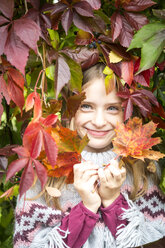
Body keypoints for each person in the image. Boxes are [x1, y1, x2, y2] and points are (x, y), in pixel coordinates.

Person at [14, 63, 165, 248]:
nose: (99, 121)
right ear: (69, 108)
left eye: (112, 108)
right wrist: (86, 209)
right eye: (86, 106)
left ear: (127, 111)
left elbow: (154, 241)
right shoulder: (43, 171)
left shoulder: (141, 168)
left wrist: (112, 201)